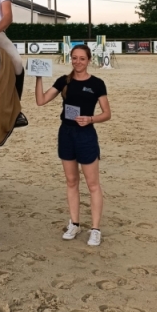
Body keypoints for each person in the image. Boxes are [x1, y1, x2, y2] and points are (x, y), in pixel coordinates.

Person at [35, 45, 111, 247]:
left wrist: (91, 119)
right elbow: (41, 101)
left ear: (89, 60)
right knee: (71, 181)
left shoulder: (97, 83)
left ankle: (95, 229)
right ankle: (74, 223)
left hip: (86, 135)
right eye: (74, 58)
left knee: (93, 184)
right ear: (71, 59)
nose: (78, 62)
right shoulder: (63, 81)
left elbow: (107, 113)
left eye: (82, 59)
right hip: (66, 133)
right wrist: (38, 77)